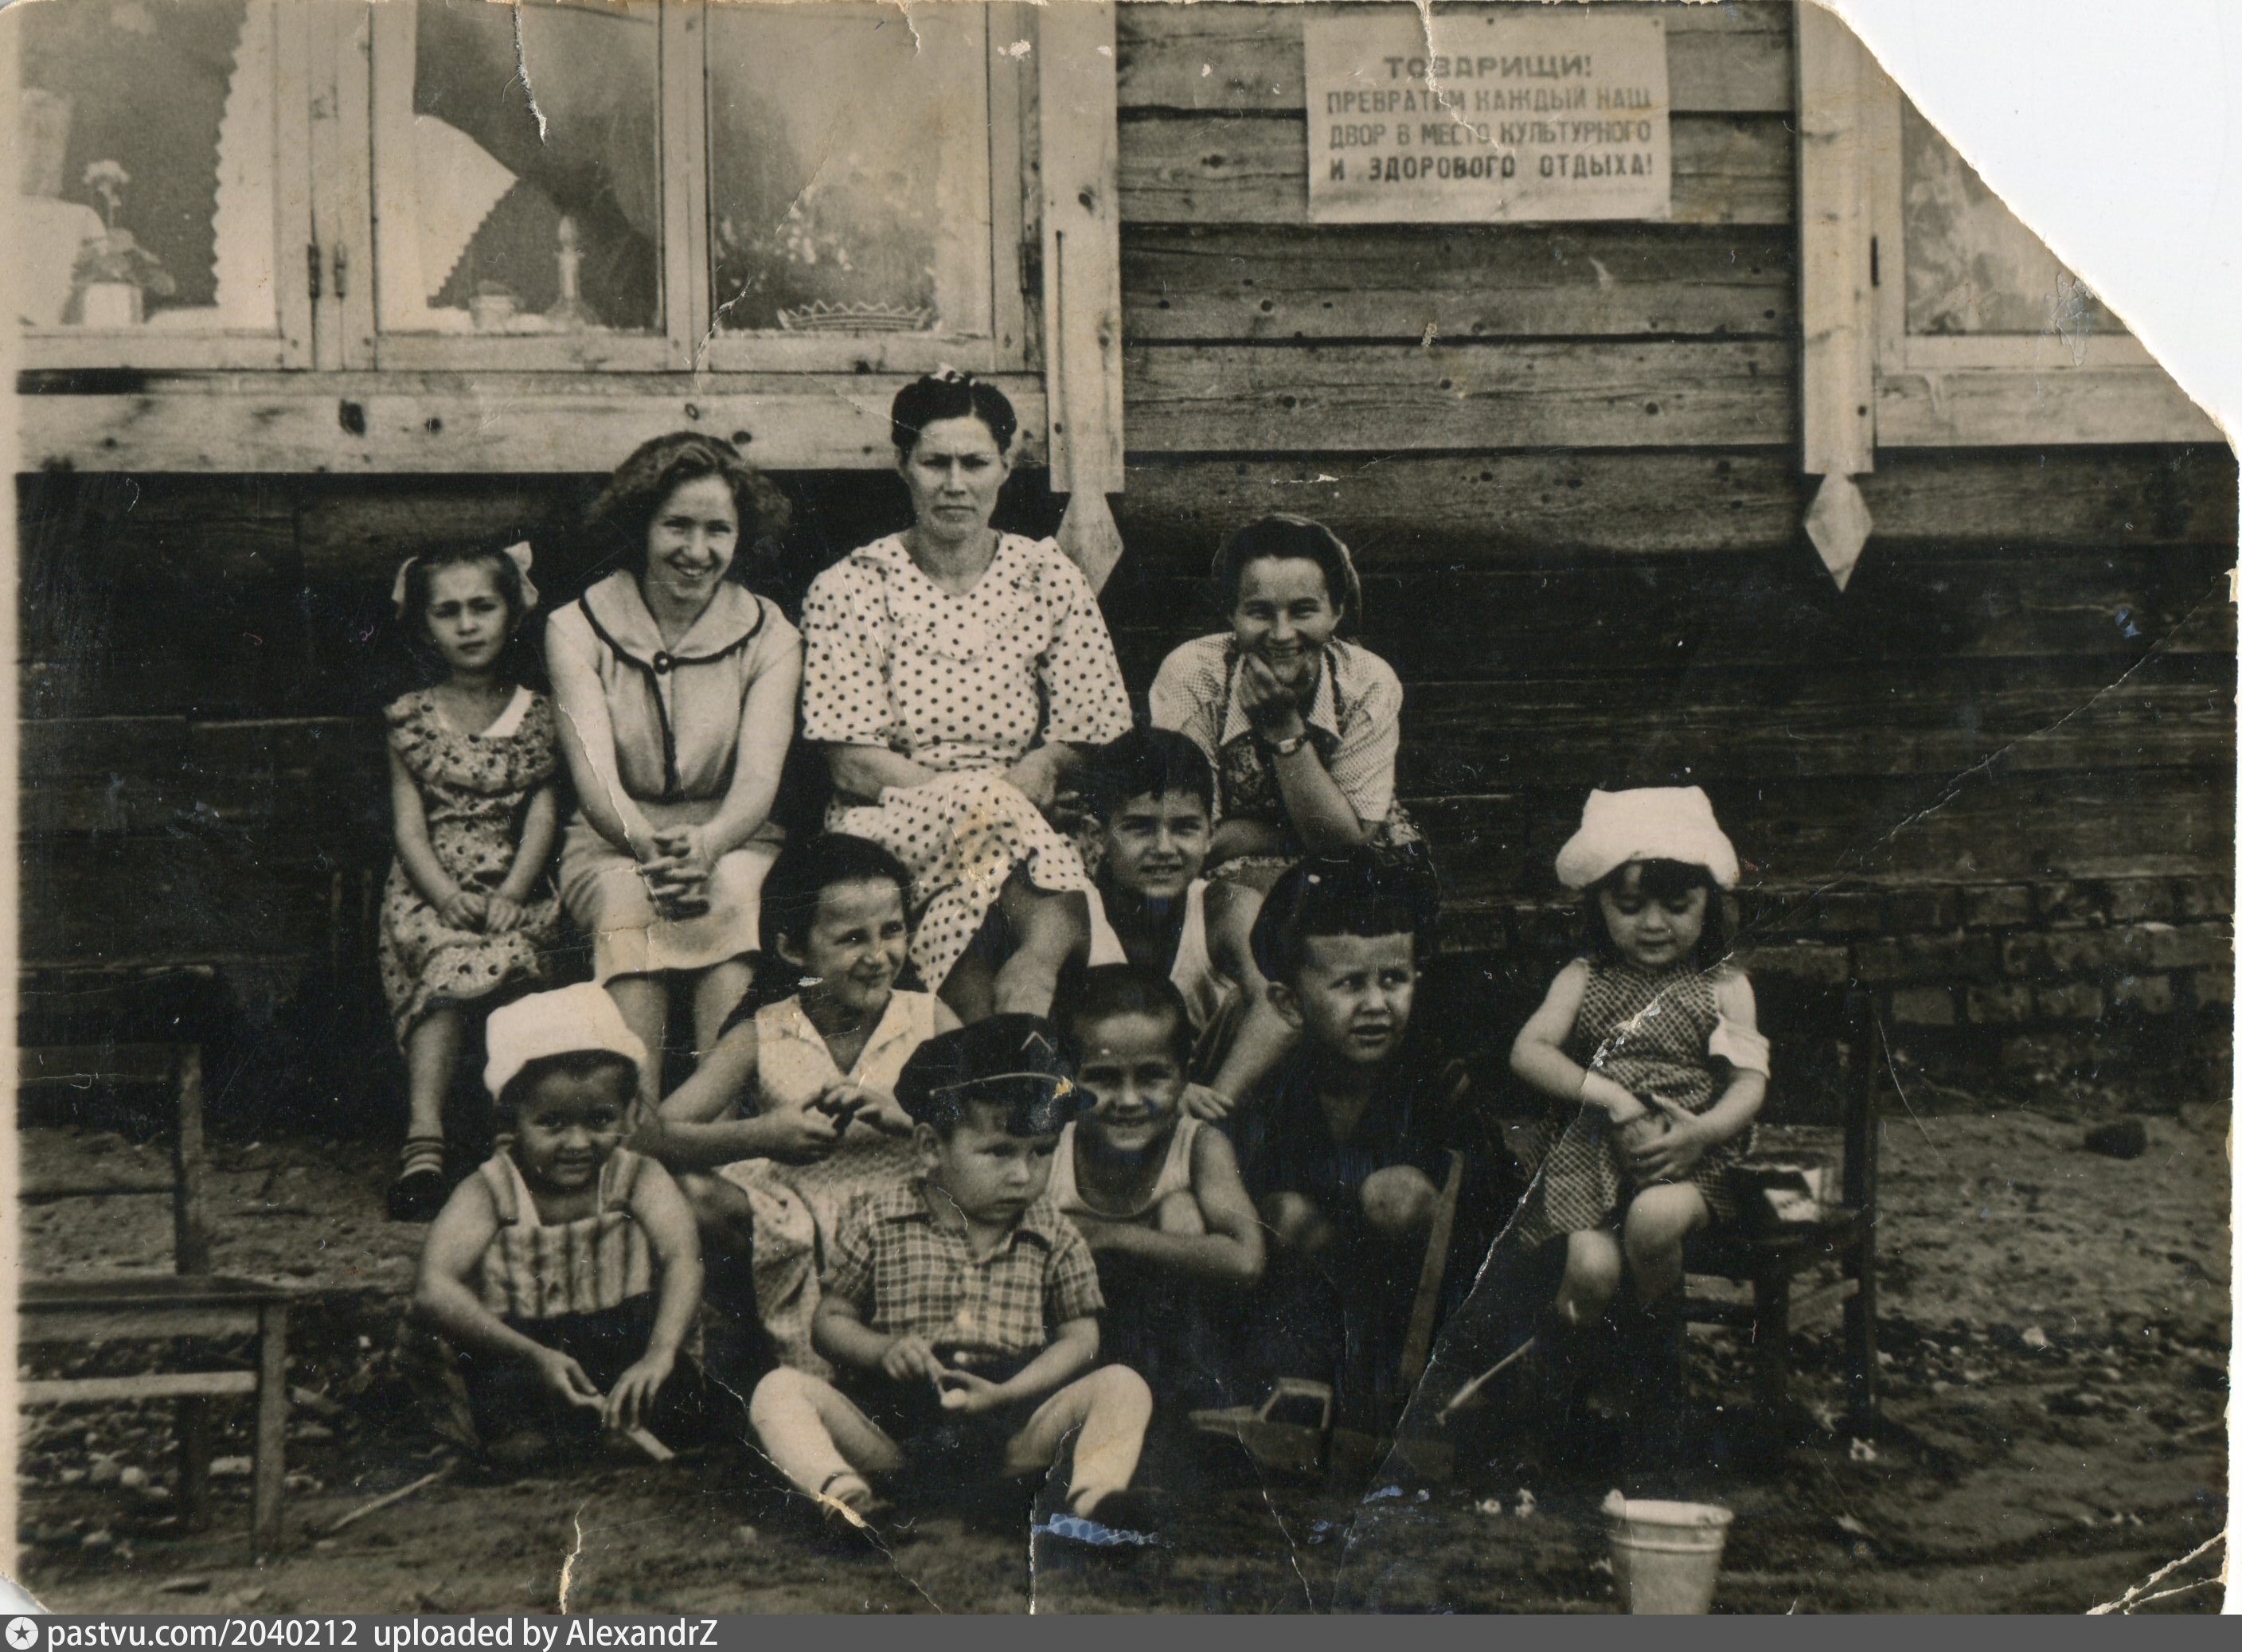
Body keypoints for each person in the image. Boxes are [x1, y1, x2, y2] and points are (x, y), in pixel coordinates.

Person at [746, 1015, 1160, 1541]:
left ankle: (1093, 1501)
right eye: (999, 1151)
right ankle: (849, 1500)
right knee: (779, 1389)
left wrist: (1008, 1391)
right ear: (929, 1147)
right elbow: (829, 1321)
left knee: (1122, 1384)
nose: (1023, 1174)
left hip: (1014, 1435)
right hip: (897, 1432)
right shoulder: (878, 1219)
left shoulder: (1053, 1233)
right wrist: (882, 1349)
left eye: (1041, 1151)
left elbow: (1081, 1338)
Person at [799, 372, 1131, 1023]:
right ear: (903, 465)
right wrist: (988, 797)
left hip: (1009, 829)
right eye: (935, 463)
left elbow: (1092, 726)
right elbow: (853, 763)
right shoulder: (852, 586)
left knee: (977, 892)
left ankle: (1000, 1028)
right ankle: (1081, 974)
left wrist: (1041, 766)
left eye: (975, 463)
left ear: (1006, 466)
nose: (955, 483)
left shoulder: (1046, 576)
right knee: (1001, 832)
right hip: (889, 826)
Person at [1507, 787, 1768, 1466]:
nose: (1654, 924)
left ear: (1710, 903)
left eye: (1677, 906)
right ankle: (1556, 1407)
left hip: (1691, 1159)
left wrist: (1704, 1132)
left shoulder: (1723, 985)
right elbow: (1529, 1052)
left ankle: (1655, 1383)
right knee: (1590, 1269)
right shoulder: (1583, 976)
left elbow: (1749, 1082)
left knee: (1652, 1221)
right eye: (1630, 906)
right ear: (1598, 904)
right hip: (1593, 1154)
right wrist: (1613, 1099)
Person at [546, 432, 802, 1107]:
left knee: (737, 894)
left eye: (718, 530)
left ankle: (719, 1131)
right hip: (613, 840)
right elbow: (596, 777)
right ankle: (637, 1123)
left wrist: (709, 845)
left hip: (736, 836)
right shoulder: (576, 626)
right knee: (629, 901)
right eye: (677, 526)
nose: (697, 550)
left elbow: (758, 779)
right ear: (642, 526)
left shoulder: (772, 634)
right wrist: (649, 849)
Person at [642, 833, 959, 1373]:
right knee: (687, 1192)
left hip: (909, 1220)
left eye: (892, 930)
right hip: (791, 1222)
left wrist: (906, 1118)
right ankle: (737, 1345)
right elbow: (649, 1134)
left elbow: (992, 1125)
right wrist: (759, 1136)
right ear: (793, 949)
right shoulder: (765, 1030)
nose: (878, 956)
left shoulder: (929, 1019)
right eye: (852, 938)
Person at [1231, 846, 1486, 1424]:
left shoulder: (1435, 1080)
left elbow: (1473, 1210)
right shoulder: (1278, 1087)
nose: (1376, 1004)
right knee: (1283, 1213)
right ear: (1289, 1002)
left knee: (1395, 1195)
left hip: (1424, 1305)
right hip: (1320, 1299)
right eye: (1348, 984)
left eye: (1393, 979)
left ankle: (1417, 1392)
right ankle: (1310, 1385)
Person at [408, 984, 705, 1465]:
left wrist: (660, 1352)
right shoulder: (491, 1189)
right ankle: (548, 1437)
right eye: (552, 1123)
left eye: (600, 1120)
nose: (578, 1143)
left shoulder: (637, 1177)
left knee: (686, 1408)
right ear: (512, 1119)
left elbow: (682, 1259)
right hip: (522, 1351)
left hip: (622, 1348)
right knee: (514, 1435)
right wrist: (532, 1355)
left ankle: (615, 1429)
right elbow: (433, 1287)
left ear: (628, 1112)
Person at [379, 541, 562, 1221]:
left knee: (517, 967)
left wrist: (512, 893)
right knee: (444, 968)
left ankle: (510, 1137)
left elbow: (542, 815)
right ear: (425, 625)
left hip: (516, 886)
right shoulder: (412, 719)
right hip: (432, 891)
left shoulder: (540, 715)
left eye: (482, 607)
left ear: (511, 613)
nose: (467, 624)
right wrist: (444, 895)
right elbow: (408, 828)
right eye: (447, 611)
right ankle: (423, 1141)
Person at [1149, 515, 1420, 891]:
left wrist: (1282, 727)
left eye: (1303, 610)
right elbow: (1193, 836)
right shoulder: (1194, 674)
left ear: (1335, 612)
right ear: (1232, 614)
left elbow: (1348, 844)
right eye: (1260, 612)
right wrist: (1308, 830)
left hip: (1352, 867)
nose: (1281, 634)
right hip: (1224, 874)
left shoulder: (1367, 682)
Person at [1049, 963, 1264, 1405]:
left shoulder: (1198, 1146)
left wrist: (1113, 1236)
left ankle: (1182, 1405)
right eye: (1104, 1078)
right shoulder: (1051, 1147)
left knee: (1180, 1210)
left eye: (1151, 1076)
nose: (1129, 1100)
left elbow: (1246, 1259)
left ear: (1184, 1076)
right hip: (1072, 1348)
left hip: (1174, 1349)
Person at [1076, 727, 1295, 1119]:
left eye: (1185, 828)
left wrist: (1206, 1108)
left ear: (1210, 835)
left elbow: (1278, 1008)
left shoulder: (1225, 907)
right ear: (1097, 836)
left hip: (1210, 1107)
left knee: (1274, 990)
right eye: (1140, 827)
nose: (1164, 848)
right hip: (1107, 1104)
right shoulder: (1075, 913)